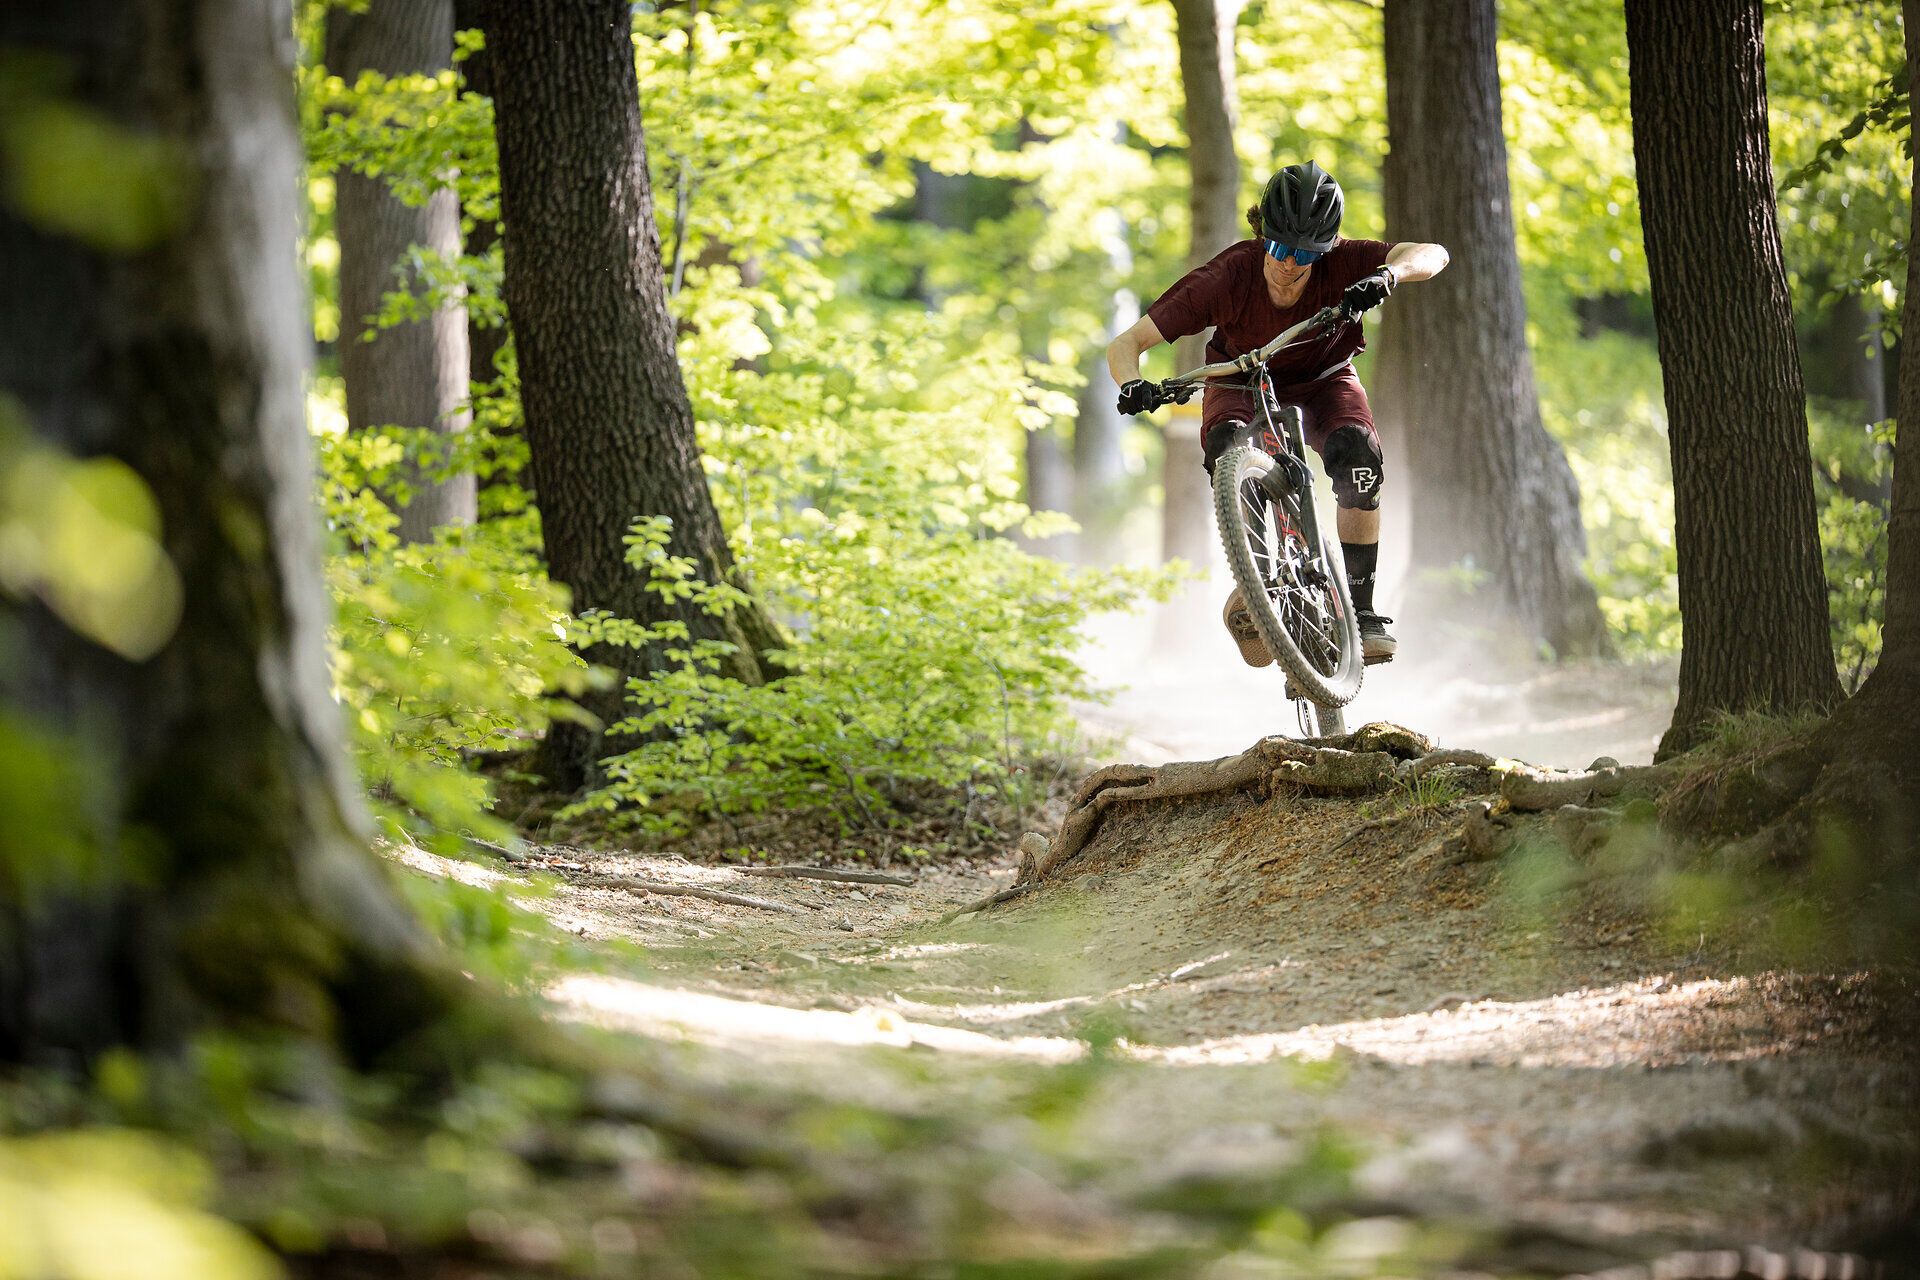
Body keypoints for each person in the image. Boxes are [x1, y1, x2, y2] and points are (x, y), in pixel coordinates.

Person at [1105, 160, 1448, 668]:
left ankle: (1363, 612)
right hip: (1240, 378)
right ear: (1262, 233)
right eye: (1280, 248)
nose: (1289, 264)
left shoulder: (1346, 261)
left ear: (1326, 248)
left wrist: (1388, 275)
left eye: (1306, 255)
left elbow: (1434, 253)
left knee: (1358, 460)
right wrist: (1132, 383)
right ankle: (1257, 584)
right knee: (1227, 446)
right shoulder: (1227, 276)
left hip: (1325, 378)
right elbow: (1128, 342)